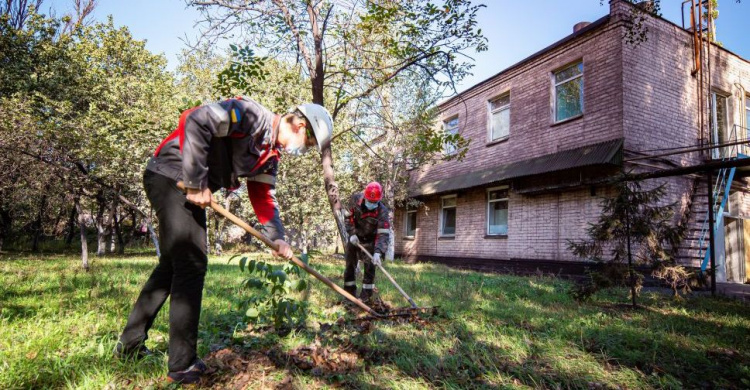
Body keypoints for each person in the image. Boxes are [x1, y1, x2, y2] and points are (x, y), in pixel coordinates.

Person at [114, 96, 333, 384]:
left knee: (172, 266)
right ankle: (182, 365)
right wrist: (195, 182)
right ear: (300, 125)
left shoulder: (269, 157)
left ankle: (128, 346)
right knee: (192, 265)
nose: (301, 150)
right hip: (171, 175)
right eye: (306, 144)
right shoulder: (251, 115)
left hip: (189, 186)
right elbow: (196, 120)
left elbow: (264, 198)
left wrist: (278, 238)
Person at [343, 181, 391, 304]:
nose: (372, 204)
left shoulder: (382, 211)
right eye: (370, 201)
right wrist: (352, 233)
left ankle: (365, 297)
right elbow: (348, 218)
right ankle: (349, 293)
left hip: (371, 241)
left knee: (370, 268)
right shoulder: (354, 200)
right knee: (349, 265)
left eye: (375, 202)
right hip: (355, 238)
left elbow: (383, 234)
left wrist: (378, 252)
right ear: (365, 196)